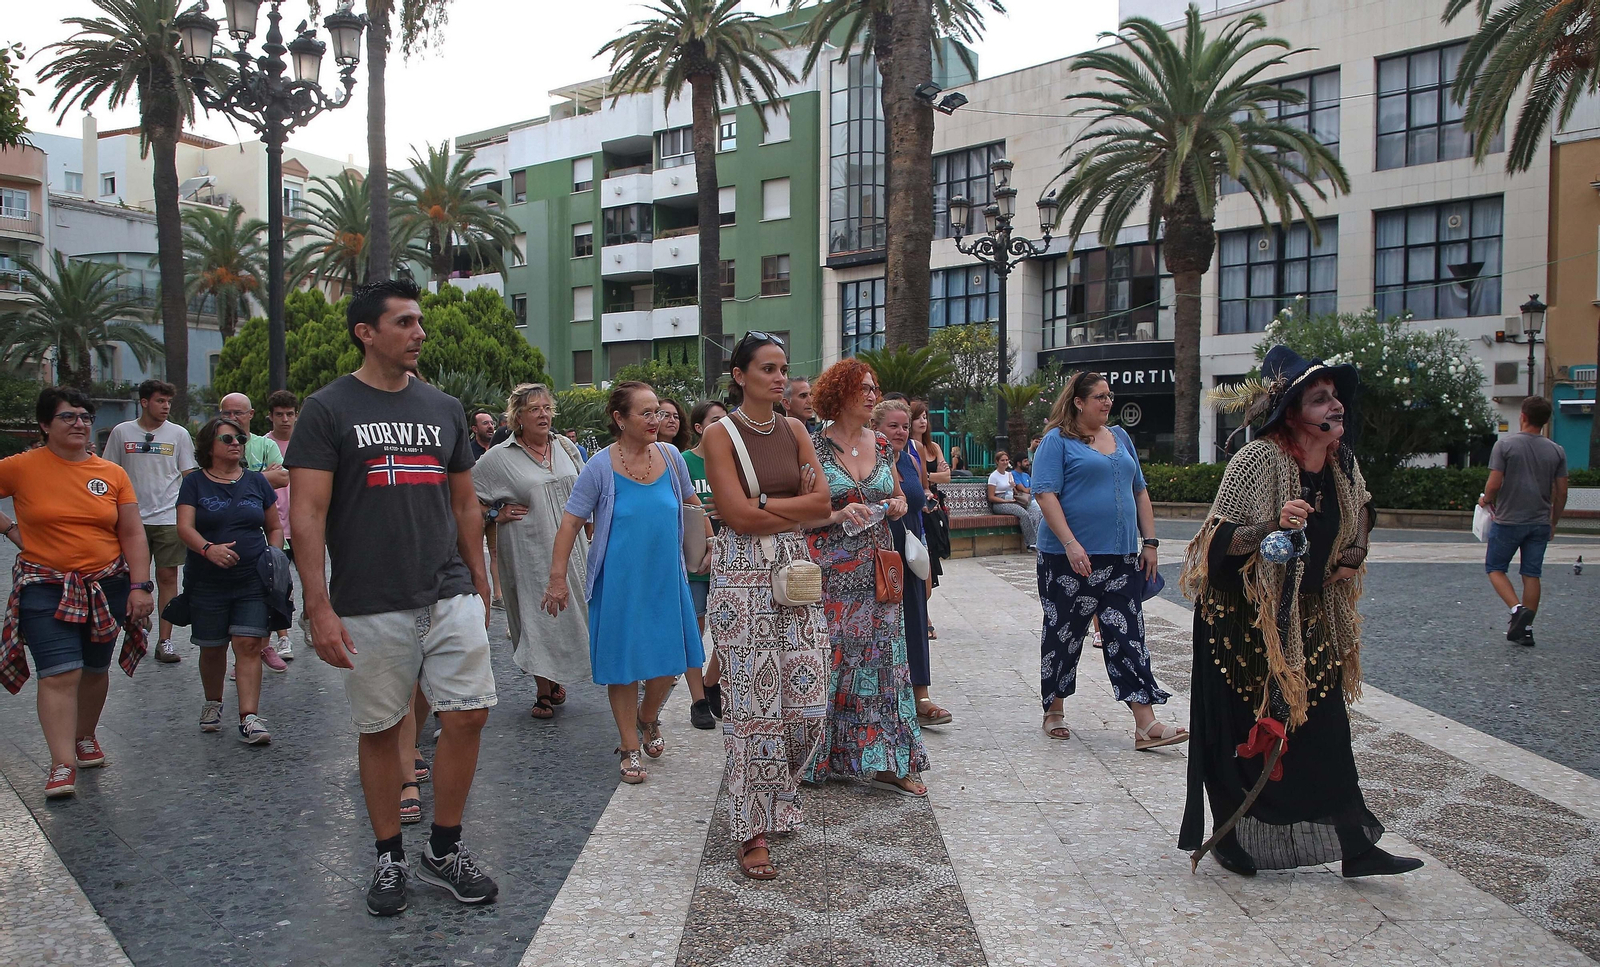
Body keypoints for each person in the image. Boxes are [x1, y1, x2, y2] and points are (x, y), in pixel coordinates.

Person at [287, 278, 499, 918]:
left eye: (419, 322)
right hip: (368, 598)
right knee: (381, 728)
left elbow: (465, 500)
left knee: (468, 714)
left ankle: (444, 846)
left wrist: (478, 573)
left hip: (447, 589)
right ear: (366, 332)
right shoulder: (327, 410)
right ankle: (389, 855)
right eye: (405, 322)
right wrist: (318, 606)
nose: (419, 332)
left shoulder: (444, 407)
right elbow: (308, 512)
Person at [1178, 347, 1422, 879]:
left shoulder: (1342, 461)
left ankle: (1356, 846)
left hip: (1310, 620)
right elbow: (1215, 546)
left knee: (1327, 728)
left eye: (1335, 397)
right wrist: (1270, 525)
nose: (1335, 407)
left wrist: (1353, 553)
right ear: (1292, 413)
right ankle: (1230, 837)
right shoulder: (1256, 461)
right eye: (1320, 399)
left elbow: (1361, 511)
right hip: (1243, 625)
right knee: (1240, 734)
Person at [700, 332, 832, 880]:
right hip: (739, 575)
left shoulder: (797, 428)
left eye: (784, 369)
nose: (780, 378)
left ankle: (777, 791)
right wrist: (785, 507)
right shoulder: (718, 434)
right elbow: (736, 516)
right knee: (756, 711)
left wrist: (764, 505)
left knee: (808, 705)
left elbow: (824, 503)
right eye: (768, 369)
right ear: (740, 375)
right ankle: (753, 827)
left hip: (794, 569)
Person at [543, 382, 709, 785]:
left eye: (660, 412)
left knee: (669, 661)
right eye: (647, 413)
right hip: (618, 582)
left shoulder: (671, 457)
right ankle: (628, 744)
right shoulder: (600, 465)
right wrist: (557, 577)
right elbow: (570, 521)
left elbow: (691, 503)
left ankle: (647, 717)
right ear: (620, 419)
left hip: (667, 579)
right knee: (622, 668)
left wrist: (709, 540)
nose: (658, 420)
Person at [0, 387, 155, 798]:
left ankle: (85, 735)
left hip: (107, 585)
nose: (79, 423)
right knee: (59, 672)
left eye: (85, 416)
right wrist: (10, 528)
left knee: (93, 668)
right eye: (68, 417)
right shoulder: (21, 467)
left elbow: (132, 532)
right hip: (44, 585)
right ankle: (61, 763)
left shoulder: (111, 473)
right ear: (45, 424)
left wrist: (140, 586)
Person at [1031, 372, 1185, 749]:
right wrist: (1070, 543)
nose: (1107, 402)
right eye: (1099, 396)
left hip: (1120, 558)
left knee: (1129, 636)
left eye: (1109, 395)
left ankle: (1145, 725)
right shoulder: (1057, 441)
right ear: (1079, 401)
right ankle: (1054, 710)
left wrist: (1149, 542)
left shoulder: (1121, 437)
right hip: (1068, 559)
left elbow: (1140, 490)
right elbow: (1045, 494)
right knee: (1064, 634)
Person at [802, 359, 928, 796]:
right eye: (864, 389)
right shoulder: (813, 446)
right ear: (839, 395)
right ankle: (817, 758)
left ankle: (887, 760)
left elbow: (898, 496)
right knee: (829, 660)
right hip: (829, 571)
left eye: (875, 387)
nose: (872, 394)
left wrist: (895, 505)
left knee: (882, 662)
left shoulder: (883, 444)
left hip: (875, 569)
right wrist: (836, 513)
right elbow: (802, 510)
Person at [471, 383, 591, 719]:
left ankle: (554, 677)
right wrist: (497, 513)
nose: (543, 414)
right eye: (534, 409)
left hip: (573, 548)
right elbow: (467, 500)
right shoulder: (499, 457)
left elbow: (586, 492)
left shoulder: (566, 447)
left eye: (547, 408)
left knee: (575, 612)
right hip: (528, 547)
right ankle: (543, 689)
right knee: (538, 614)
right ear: (518, 417)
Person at [176, 417, 281, 745]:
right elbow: (184, 528)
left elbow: (274, 526)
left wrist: (272, 557)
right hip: (208, 579)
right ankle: (213, 702)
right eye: (227, 438)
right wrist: (208, 549)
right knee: (213, 647)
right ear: (209, 446)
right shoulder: (194, 483)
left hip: (252, 577)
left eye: (240, 438)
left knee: (249, 644)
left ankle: (249, 717)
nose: (236, 442)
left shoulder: (257, 482)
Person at [102, 379, 195, 664]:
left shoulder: (178, 434)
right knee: (132, 580)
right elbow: (108, 472)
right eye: (159, 401)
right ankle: (138, 624)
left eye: (168, 402)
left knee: (168, 577)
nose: (166, 407)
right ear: (144, 402)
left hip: (168, 517)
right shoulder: (121, 432)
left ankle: (164, 641)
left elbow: (189, 475)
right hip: (130, 519)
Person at [875, 399, 952, 729]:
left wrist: (924, 561)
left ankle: (921, 696)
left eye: (904, 426)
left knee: (916, 621)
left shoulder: (911, 457)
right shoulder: (868, 459)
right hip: (877, 551)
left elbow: (919, 502)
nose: (901, 432)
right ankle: (884, 697)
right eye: (893, 426)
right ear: (875, 427)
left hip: (909, 549)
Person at [1480, 396, 1568, 647]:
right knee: (1532, 574)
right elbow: (1562, 492)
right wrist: (1554, 522)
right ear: (1546, 421)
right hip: (1540, 521)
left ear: (1523, 416)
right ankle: (1526, 629)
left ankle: (1517, 610)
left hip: (1509, 520)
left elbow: (1494, 484)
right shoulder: (1556, 450)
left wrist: (1486, 499)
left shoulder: (1505, 446)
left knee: (1495, 568)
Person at [218, 392, 291, 673]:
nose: (234, 419)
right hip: (224, 533)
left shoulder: (264, 444)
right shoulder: (216, 443)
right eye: (228, 413)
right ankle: (238, 658)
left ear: (251, 415)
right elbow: (209, 479)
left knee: (268, 590)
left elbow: (282, 477)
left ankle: (262, 645)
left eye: (239, 413)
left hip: (262, 529)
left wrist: (237, 480)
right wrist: (261, 478)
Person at [682, 398, 730, 730]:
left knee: (730, 627)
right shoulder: (683, 461)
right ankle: (698, 699)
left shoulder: (731, 461)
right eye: (715, 420)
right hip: (696, 559)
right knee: (695, 629)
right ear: (699, 427)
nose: (723, 426)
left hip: (732, 554)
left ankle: (712, 681)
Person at [910, 401, 952, 639]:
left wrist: (925, 475)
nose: (922, 421)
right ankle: (923, 616)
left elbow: (946, 476)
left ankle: (923, 612)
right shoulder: (908, 448)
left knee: (932, 561)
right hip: (919, 509)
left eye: (925, 417)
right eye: (918, 417)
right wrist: (929, 477)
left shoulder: (932, 447)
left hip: (934, 510)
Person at [265, 390, 301, 660]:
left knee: (315, 581)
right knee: (277, 584)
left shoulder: (306, 443)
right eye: (280, 414)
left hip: (303, 524)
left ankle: (310, 617)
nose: (285, 419)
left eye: (290, 414)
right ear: (270, 417)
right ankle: (282, 637)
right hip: (273, 526)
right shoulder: (263, 446)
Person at [987, 451, 1044, 550]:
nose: (1005, 462)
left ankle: (1038, 539)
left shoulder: (1009, 474)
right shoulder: (993, 476)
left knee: (1035, 511)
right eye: (1002, 460)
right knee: (1023, 514)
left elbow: (1015, 492)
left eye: (1006, 460)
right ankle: (1031, 542)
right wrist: (1004, 501)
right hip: (999, 502)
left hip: (1011, 499)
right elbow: (991, 497)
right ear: (997, 462)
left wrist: (1013, 487)